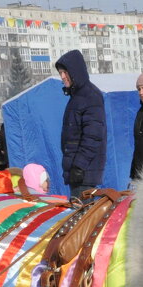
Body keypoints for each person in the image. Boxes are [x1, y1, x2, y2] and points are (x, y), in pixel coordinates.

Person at [55, 49, 106, 197]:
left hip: (84, 173)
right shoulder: (76, 97)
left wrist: (79, 166)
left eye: (65, 72)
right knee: (79, 216)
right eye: (60, 73)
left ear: (75, 71)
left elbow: (93, 135)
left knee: (83, 217)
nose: (63, 77)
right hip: (77, 173)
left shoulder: (90, 96)